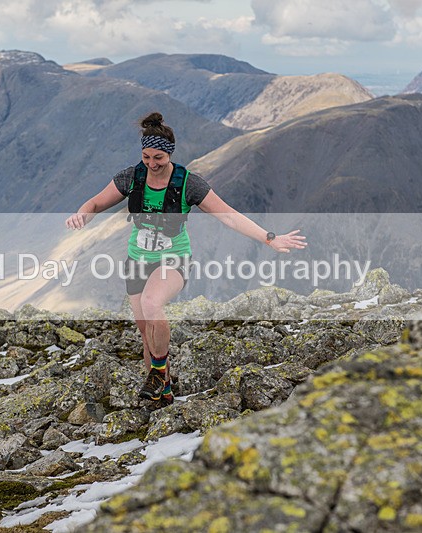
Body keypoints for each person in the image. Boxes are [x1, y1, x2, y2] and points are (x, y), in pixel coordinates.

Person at [66, 112, 307, 406]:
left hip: (173, 260)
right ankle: (163, 392)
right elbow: (95, 203)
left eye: (158, 158)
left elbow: (229, 216)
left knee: (152, 304)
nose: (152, 164)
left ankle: (157, 372)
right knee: (148, 334)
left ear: (170, 154)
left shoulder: (188, 184)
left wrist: (269, 238)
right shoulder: (132, 177)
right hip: (137, 260)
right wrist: (82, 214)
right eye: (146, 157)